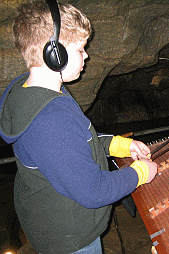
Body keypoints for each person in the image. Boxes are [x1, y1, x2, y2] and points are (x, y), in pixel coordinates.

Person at [0, 1, 158, 254]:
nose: (87, 56)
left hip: (52, 220)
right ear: (54, 54)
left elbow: (81, 140)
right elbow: (94, 191)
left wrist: (120, 145)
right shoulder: (49, 120)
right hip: (70, 240)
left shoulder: (40, 92)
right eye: (80, 49)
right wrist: (139, 173)